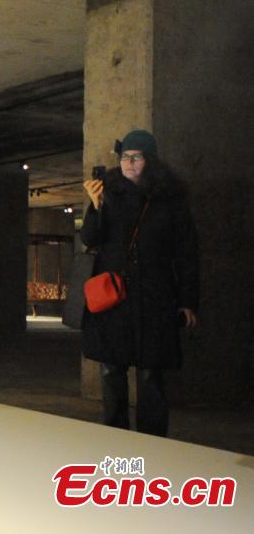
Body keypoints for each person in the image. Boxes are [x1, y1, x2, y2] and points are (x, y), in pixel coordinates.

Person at [80, 129, 199, 437]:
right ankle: (115, 436)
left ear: (151, 161)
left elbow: (186, 253)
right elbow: (90, 239)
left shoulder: (170, 200)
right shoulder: (108, 193)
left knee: (150, 372)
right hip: (114, 296)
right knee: (111, 368)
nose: (129, 163)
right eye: (125, 158)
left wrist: (187, 300)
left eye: (137, 157)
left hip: (154, 296)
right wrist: (95, 206)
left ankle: (153, 439)